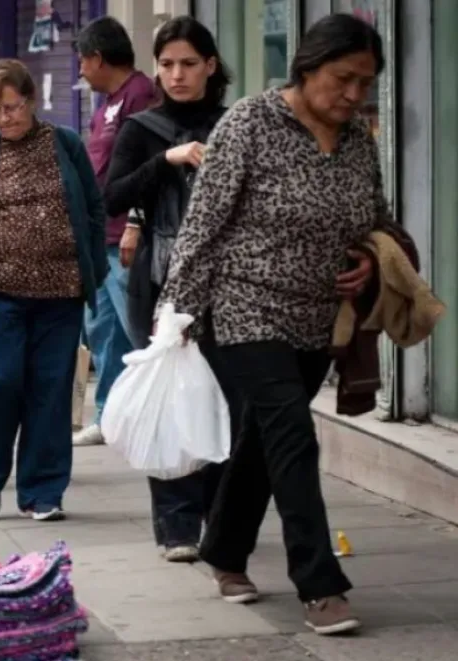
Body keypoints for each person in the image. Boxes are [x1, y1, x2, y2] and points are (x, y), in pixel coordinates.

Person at [157, 14, 386, 634]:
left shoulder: (358, 140)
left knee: (264, 442)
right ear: (308, 68)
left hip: (316, 319)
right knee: (293, 436)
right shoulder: (249, 123)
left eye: (365, 83)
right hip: (244, 311)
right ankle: (320, 584)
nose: (353, 94)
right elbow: (202, 225)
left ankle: (225, 550)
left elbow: (376, 219)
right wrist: (175, 314)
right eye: (343, 78)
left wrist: (369, 261)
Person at [0, 59, 107, 522]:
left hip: (61, 296)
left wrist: (92, 270)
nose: (3, 118)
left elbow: (94, 210)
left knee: (50, 391)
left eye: (11, 107)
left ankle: (43, 491)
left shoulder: (65, 145)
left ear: (31, 102)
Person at [103, 16, 231, 564]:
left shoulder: (233, 124)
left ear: (210, 66)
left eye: (188, 63)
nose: (177, 74)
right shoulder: (142, 128)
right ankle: (178, 526)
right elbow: (111, 197)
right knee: (171, 400)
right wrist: (165, 161)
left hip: (228, 286)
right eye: (167, 64)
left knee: (226, 401)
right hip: (160, 284)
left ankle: (220, 522)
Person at [73, 16, 157, 447]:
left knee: (138, 329)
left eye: (82, 61)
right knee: (103, 330)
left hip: (126, 236)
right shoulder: (106, 103)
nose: (80, 70)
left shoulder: (140, 96)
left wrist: (135, 223)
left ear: (98, 58)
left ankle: (153, 412)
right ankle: (109, 415)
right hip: (99, 236)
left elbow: (145, 167)